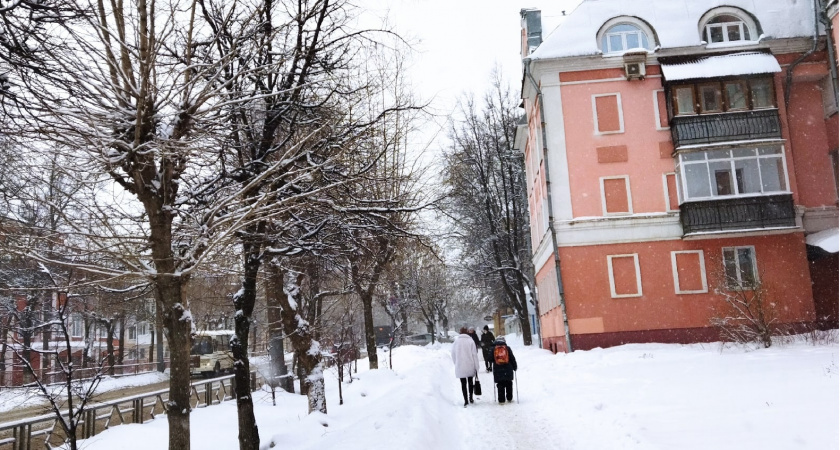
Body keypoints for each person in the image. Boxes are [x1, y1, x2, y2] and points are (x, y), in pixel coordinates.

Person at [451, 327, 481, 407]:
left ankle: (466, 400)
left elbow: (453, 354)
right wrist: (476, 367)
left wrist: (456, 363)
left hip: (460, 365)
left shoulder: (456, 342)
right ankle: (471, 397)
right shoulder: (470, 341)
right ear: (467, 333)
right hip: (470, 365)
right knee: (470, 382)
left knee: (463, 384)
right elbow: (474, 355)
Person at [491, 336, 517, 404]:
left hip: (497, 369)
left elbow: (489, 359)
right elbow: (512, 358)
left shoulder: (493, 348)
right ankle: (509, 398)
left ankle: (501, 400)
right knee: (509, 383)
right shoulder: (507, 348)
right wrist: (515, 367)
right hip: (508, 368)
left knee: (500, 384)